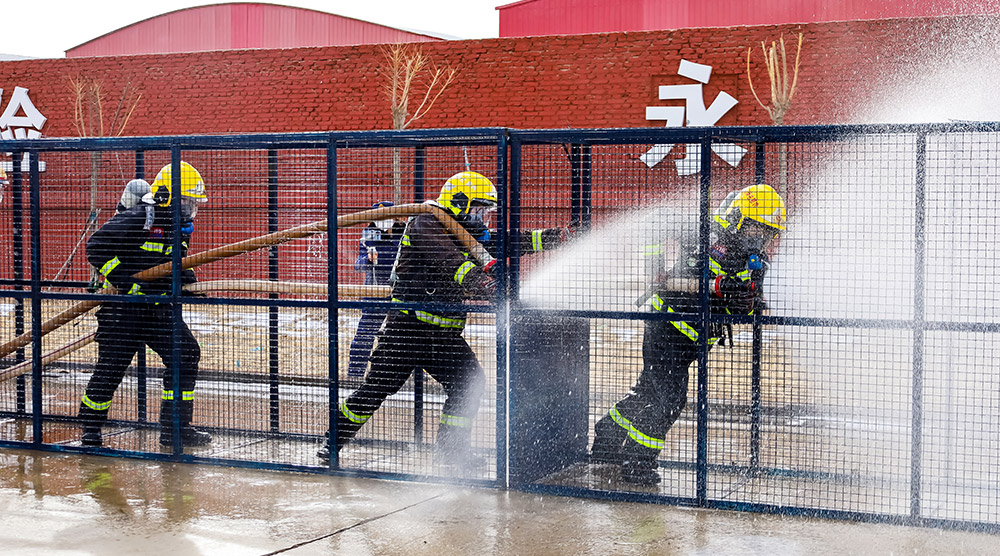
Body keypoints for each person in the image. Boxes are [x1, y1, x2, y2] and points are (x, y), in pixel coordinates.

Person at [318, 171, 573, 467]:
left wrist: (554, 237)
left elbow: (505, 241)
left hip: (444, 336)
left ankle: (451, 452)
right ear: (460, 202)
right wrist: (483, 282)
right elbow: (449, 259)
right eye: (478, 208)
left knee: (469, 383)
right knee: (377, 389)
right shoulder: (427, 222)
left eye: (485, 211)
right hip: (408, 330)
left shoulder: (467, 231)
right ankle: (332, 441)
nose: (482, 216)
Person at [590, 184, 787, 485]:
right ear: (736, 217)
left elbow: (744, 311)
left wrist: (747, 301)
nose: (758, 239)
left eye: (765, 233)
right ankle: (637, 464)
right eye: (754, 229)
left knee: (649, 391)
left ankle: (606, 437)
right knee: (669, 400)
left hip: (694, 341)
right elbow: (656, 224)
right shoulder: (704, 231)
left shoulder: (756, 265)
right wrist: (654, 269)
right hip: (666, 328)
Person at [78, 161, 211, 448]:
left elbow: (168, 261)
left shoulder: (180, 227)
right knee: (111, 368)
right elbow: (96, 247)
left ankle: (175, 428)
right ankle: (90, 430)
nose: (192, 210)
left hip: (156, 309)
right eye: (188, 202)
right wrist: (128, 283)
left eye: (194, 204)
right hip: (123, 310)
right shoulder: (141, 217)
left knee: (185, 355)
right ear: (167, 196)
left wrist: (184, 278)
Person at [346, 200, 405, 377]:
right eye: (379, 217)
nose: (383, 220)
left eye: (387, 216)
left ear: (394, 217)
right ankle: (355, 374)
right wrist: (368, 260)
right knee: (365, 334)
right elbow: (359, 264)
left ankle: (410, 376)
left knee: (407, 335)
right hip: (376, 291)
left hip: (401, 291)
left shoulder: (405, 233)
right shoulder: (369, 236)